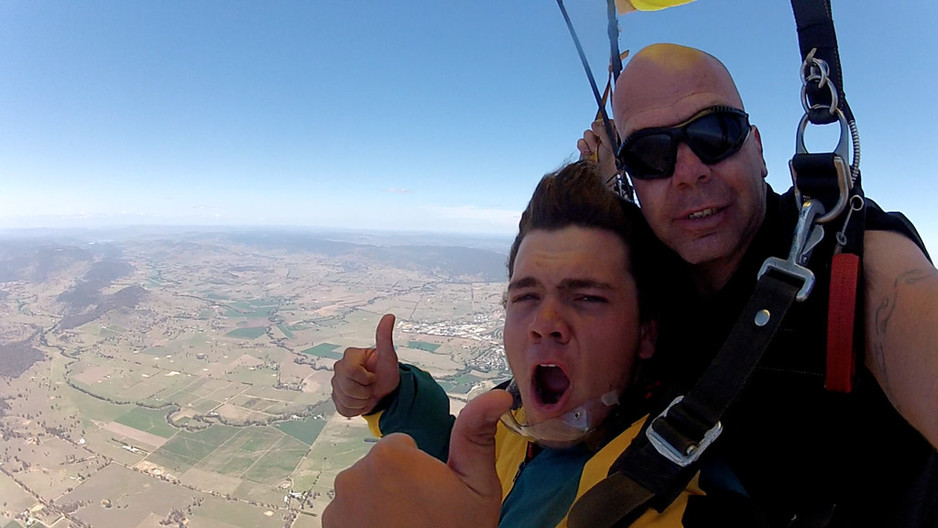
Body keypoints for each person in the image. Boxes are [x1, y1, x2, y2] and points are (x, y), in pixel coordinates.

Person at [575, 43, 938, 526]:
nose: (689, 172)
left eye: (715, 133)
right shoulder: (648, 280)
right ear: (633, 180)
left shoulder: (852, 261)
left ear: (759, 150)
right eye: (651, 154)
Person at [325, 160, 700, 527]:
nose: (544, 324)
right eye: (526, 297)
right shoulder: (514, 420)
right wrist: (392, 398)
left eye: (587, 297)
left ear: (645, 333)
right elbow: (461, 470)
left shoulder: (657, 499)